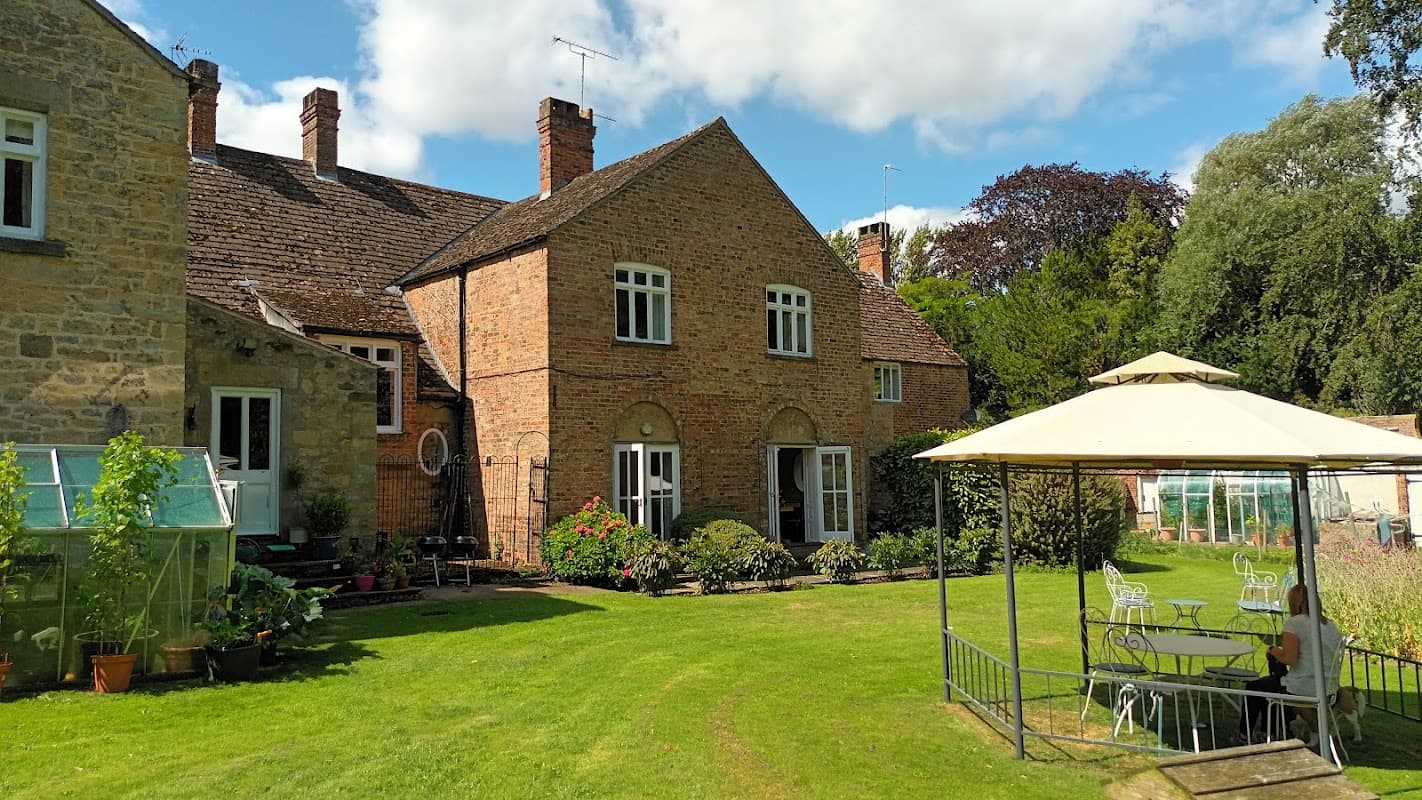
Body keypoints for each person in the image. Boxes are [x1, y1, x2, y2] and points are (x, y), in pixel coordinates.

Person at [1236, 583, 1343, 744]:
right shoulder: (1330, 626)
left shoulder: (1295, 623)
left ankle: (1246, 735)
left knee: (1255, 688)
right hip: (1328, 688)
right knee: (1270, 684)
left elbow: (1289, 658)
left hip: (1302, 688)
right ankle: (1270, 730)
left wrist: (1272, 650)